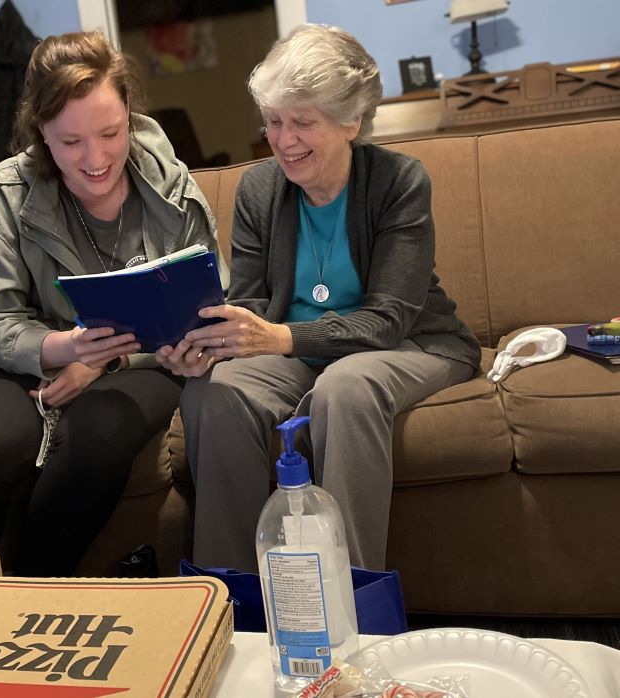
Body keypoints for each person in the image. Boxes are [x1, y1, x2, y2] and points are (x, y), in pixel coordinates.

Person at [157, 24, 481, 572]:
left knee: (346, 388)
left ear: (350, 121)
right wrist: (207, 343)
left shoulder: (399, 182)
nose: (284, 140)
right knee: (214, 391)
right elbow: (254, 303)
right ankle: (230, 604)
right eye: (275, 121)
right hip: (298, 355)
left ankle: (351, 599)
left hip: (410, 344)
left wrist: (282, 337)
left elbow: (388, 318)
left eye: (303, 122)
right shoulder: (261, 189)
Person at [0, 31, 223, 575]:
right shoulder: (3, 197)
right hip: (35, 358)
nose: (96, 159)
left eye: (111, 133)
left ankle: (33, 592)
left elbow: (205, 311)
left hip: (142, 361)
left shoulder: (173, 192)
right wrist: (67, 347)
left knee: (101, 434)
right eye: (70, 142)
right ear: (40, 132)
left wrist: (103, 359)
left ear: (129, 111)